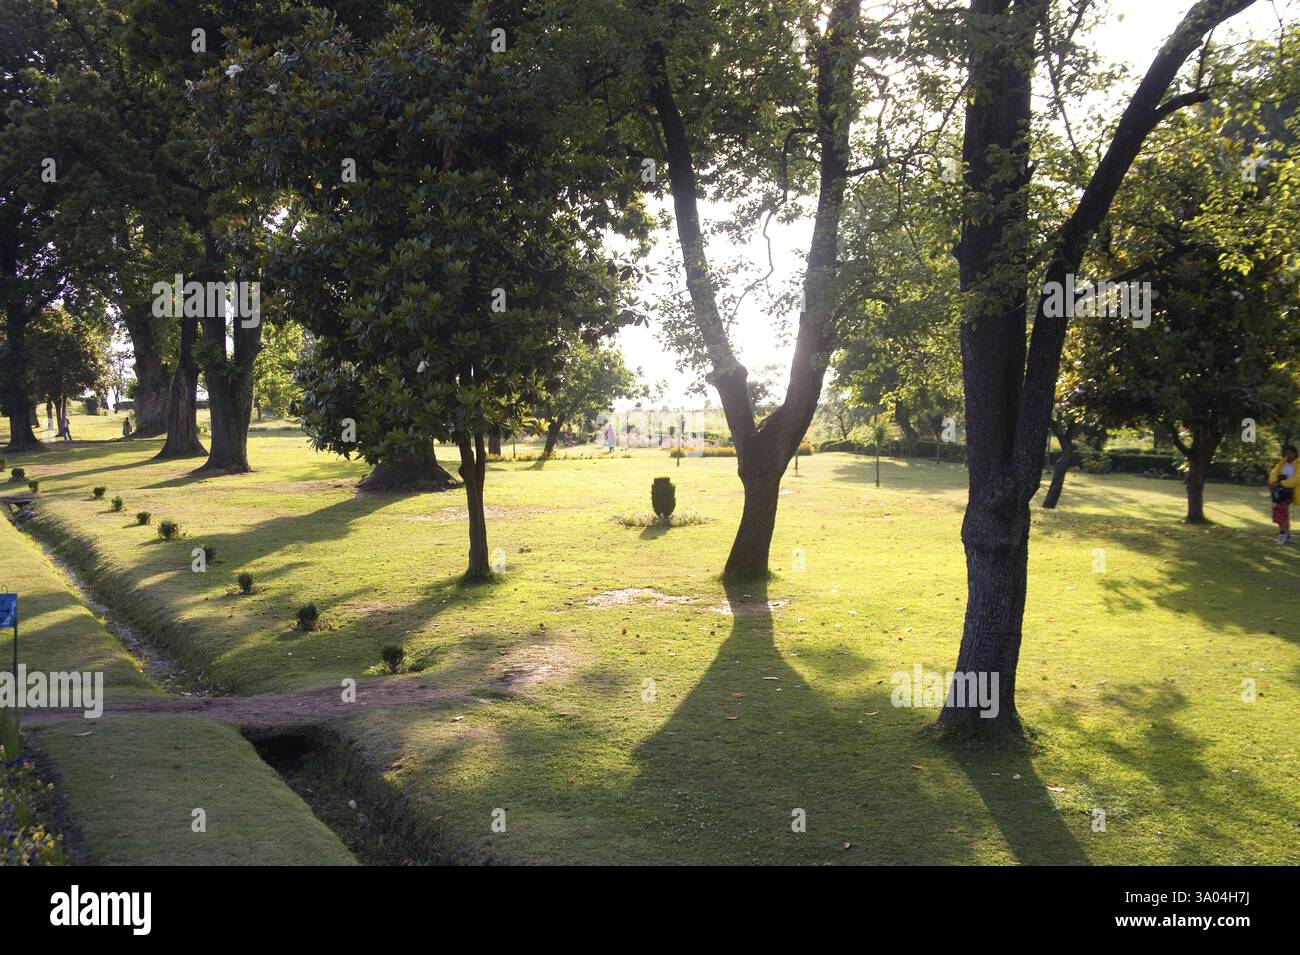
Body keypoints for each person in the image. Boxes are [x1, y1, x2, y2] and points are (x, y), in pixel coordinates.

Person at [1267, 444, 1298, 544]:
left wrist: (1281, 483)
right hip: (1279, 492)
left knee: (1281, 511)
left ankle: (1282, 534)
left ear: (1295, 454)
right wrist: (1274, 482)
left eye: (1291, 453)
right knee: (1280, 511)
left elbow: (1296, 479)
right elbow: (1274, 473)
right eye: (1286, 453)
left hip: (1290, 492)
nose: (1288, 455)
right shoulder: (1282, 463)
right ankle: (1286, 535)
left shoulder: (1298, 464)